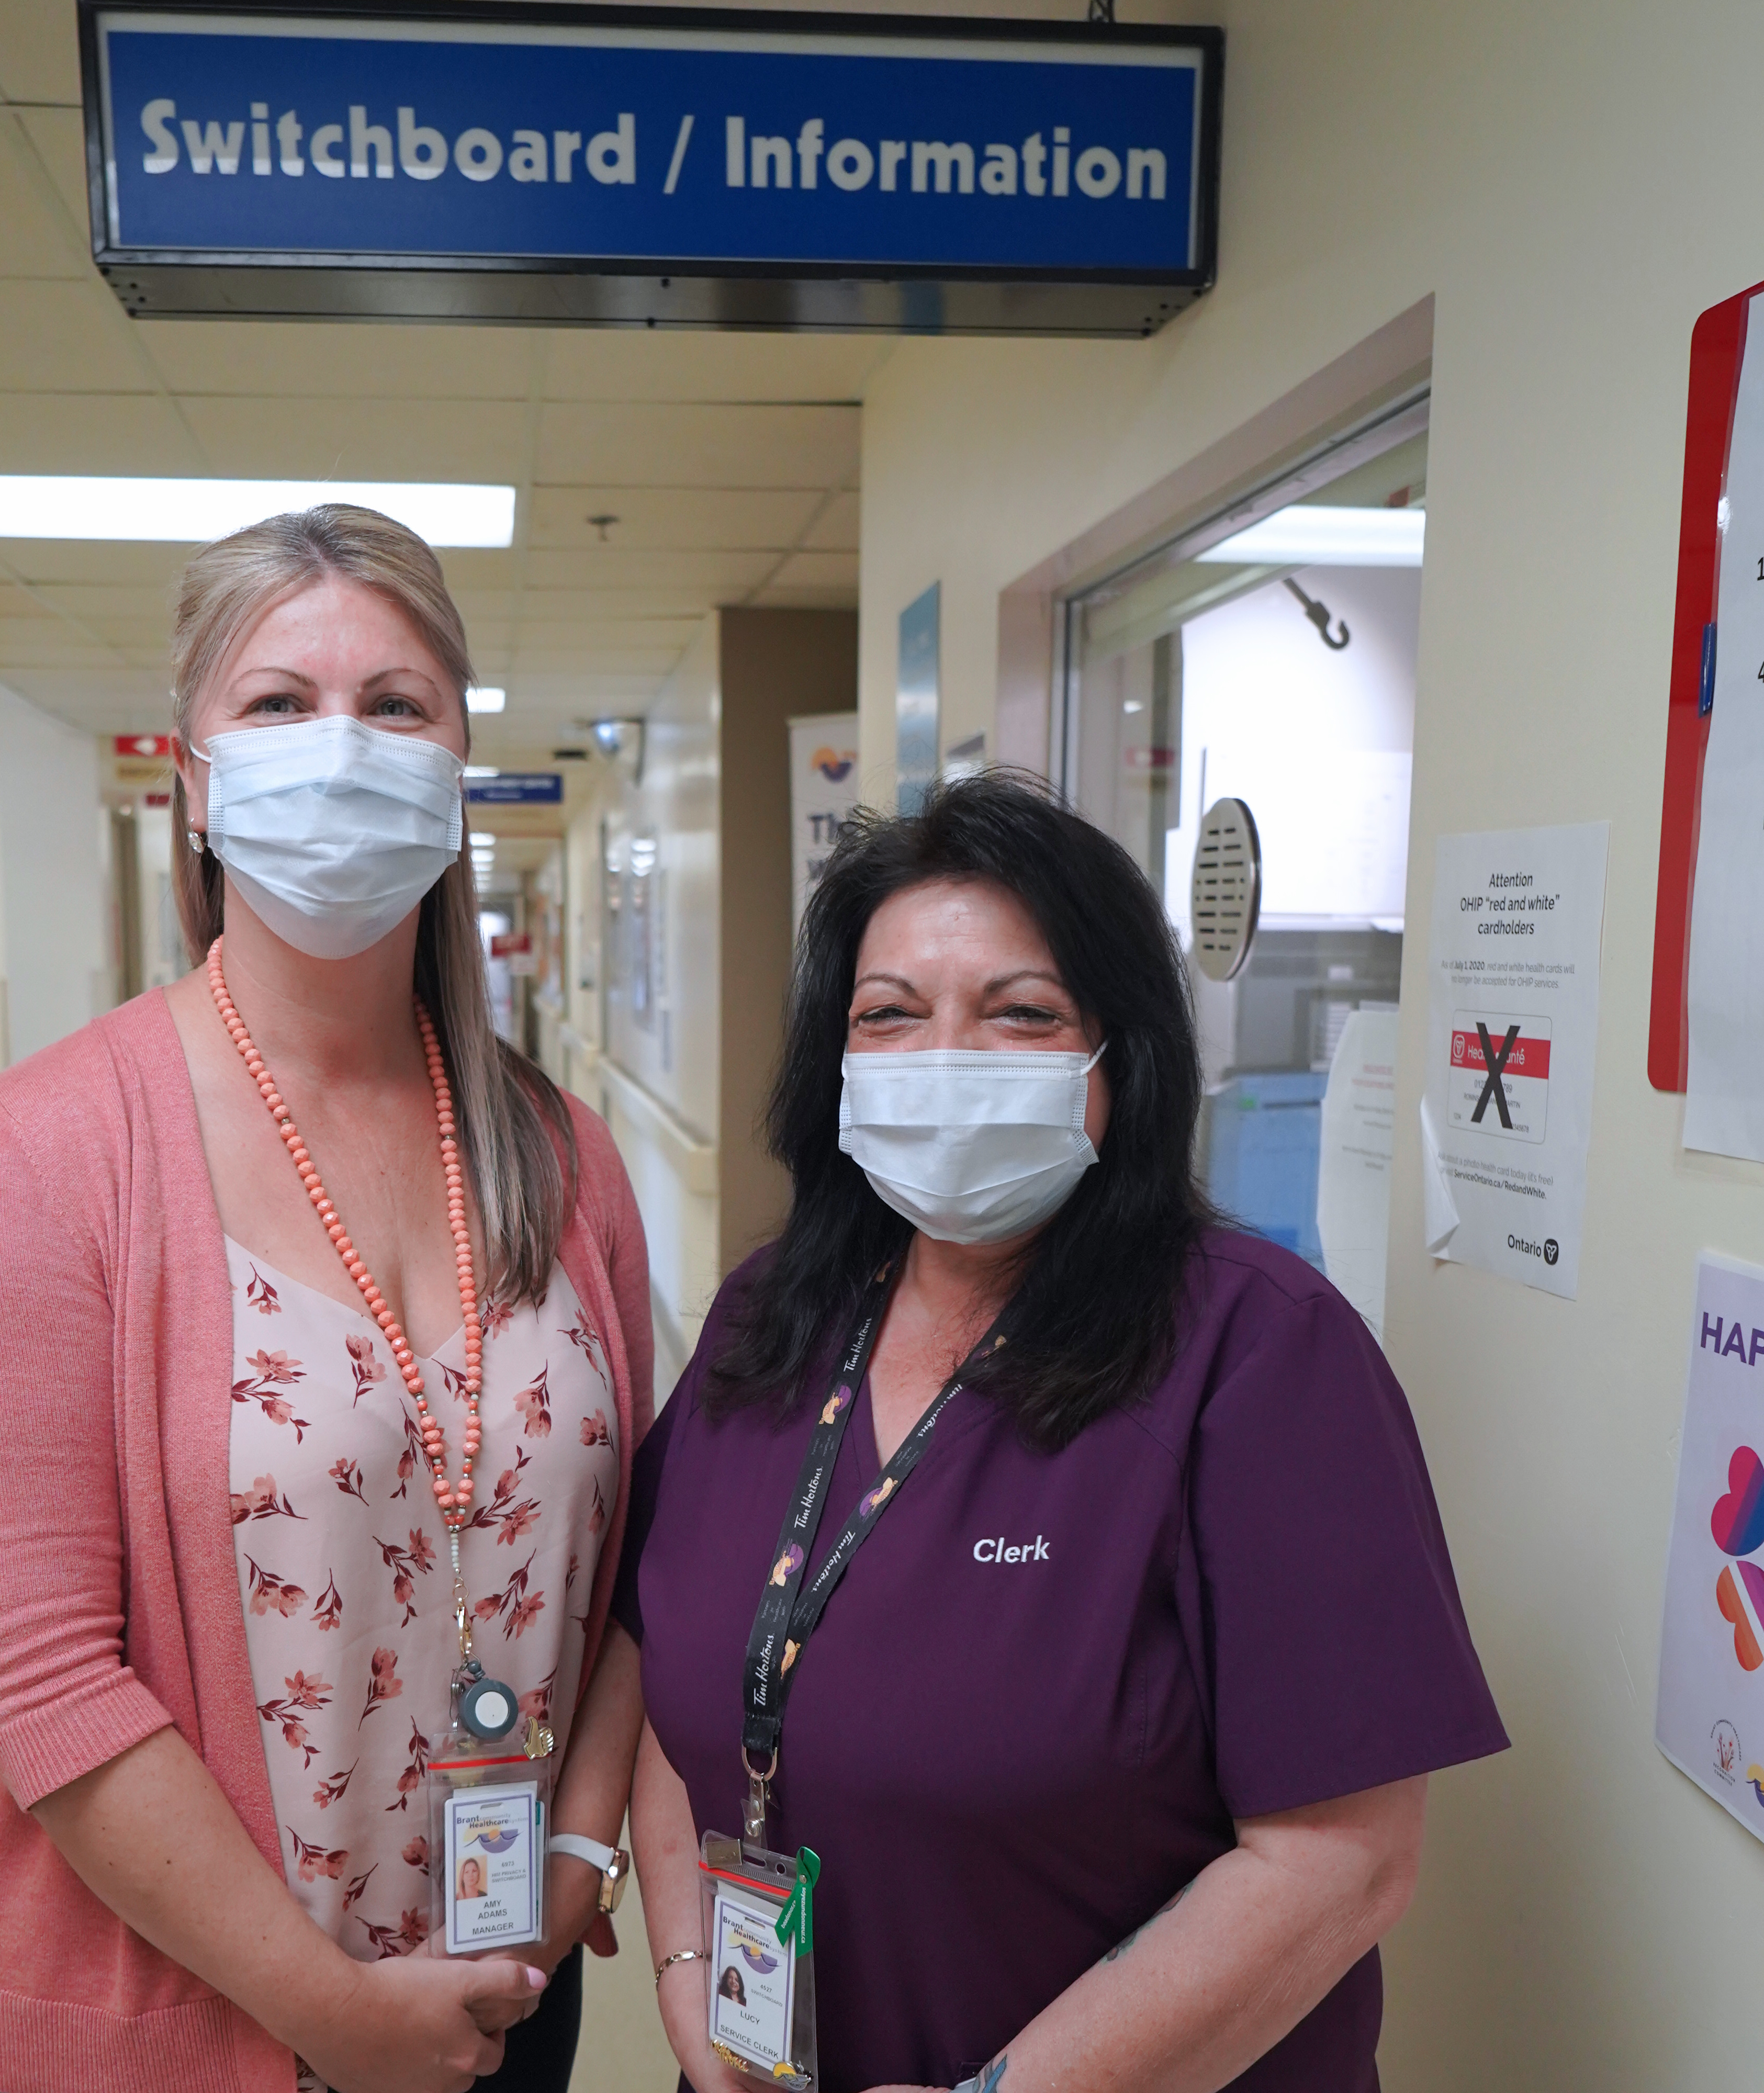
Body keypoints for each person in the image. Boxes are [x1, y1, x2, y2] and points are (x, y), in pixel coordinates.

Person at [0, 505, 651, 2093]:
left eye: (395, 705)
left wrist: (582, 1841)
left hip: (506, 1979)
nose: (343, 748)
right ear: (197, 777)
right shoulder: (47, 1151)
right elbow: (30, 1673)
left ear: (453, 768)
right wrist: (325, 2008)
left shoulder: (559, 1155)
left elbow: (644, 1548)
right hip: (205, 2016)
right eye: (279, 703)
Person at [619, 773, 1507, 2093]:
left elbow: (1341, 1859)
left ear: (1117, 1057)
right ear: (837, 1061)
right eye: (889, 1015)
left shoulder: (1259, 1354)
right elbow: (670, 1676)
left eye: (1020, 1013)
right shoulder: (771, 1319)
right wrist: (694, 1991)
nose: (945, 1062)